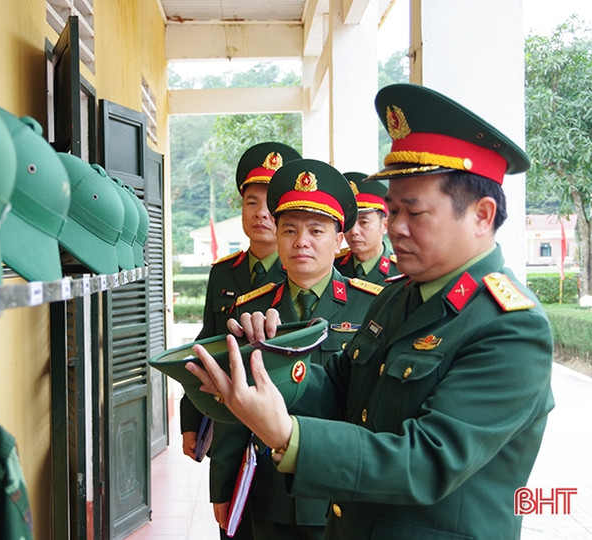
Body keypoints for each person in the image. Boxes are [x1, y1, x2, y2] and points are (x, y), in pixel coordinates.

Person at [186, 83, 554, 540]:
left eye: (414, 213)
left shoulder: (511, 327)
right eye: (392, 209)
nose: (395, 228)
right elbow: (345, 384)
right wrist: (265, 364)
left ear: (482, 214)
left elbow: (425, 460)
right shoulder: (400, 294)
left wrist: (286, 434)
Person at [212, 158, 384, 540]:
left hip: (338, 484)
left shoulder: (375, 305)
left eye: (316, 230)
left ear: (338, 240)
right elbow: (233, 409)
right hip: (268, 486)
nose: (301, 241)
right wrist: (223, 486)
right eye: (289, 229)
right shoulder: (249, 308)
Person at [180, 141, 300, 540]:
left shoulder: (301, 271)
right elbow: (208, 344)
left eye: (271, 204)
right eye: (251, 202)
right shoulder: (223, 274)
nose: (261, 213)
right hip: (230, 428)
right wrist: (190, 420)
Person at [334, 172, 399, 284]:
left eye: (364, 222)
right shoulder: (333, 266)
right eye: (350, 222)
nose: (354, 231)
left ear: (385, 225)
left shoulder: (401, 271)